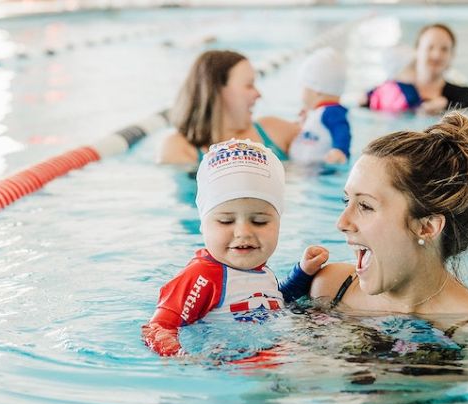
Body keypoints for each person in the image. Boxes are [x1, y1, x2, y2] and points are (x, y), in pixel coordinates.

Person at [309, 112, 468, 379]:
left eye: (365, 206)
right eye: (346, 201)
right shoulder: (330, 288)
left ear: (427, 227)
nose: (342, 222)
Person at [143, 139, 329, 356]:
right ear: (202, 225)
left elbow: (273, 301)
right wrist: (181, 358)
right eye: (226, 221)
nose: (243, 232)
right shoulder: (202, 276)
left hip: (267, 355)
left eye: (259, 221)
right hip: (231, 363)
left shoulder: (260, 271)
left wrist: (303, 273)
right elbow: (157, 327)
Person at [158, 50, 299, 164]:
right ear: (217, 91)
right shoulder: (180, 148)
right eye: (249, 85)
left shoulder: (275, 131)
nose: (258, 94)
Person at [363, 24, 468, 114]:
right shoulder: (392, 92)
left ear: (452, 55)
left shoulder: (464, 97)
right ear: (417, 51)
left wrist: (445, 110)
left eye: (444, 49)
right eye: (430, 47)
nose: (436, 55)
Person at [289, 47, 352, 165]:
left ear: (317, 89)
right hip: (308, 167)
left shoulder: (332, 112)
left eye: (304, 87)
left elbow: (341, 130)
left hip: (318, 169)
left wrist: (340, 149)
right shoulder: (318, 113)